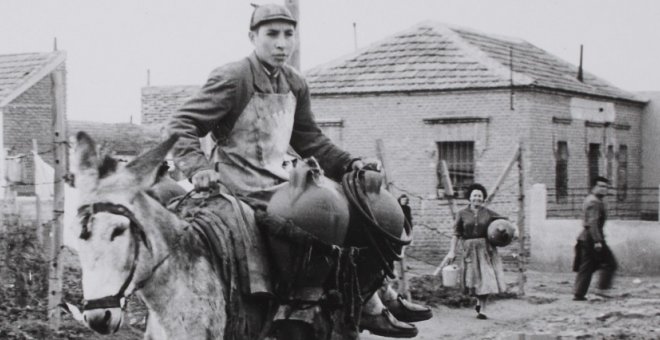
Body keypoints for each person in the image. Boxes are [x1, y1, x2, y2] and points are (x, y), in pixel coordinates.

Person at [166, 3, 420, 338]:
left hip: (283, 177)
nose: (282, 43)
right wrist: (197, 168)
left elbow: (309, 138)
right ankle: (297, 308)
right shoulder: (232, 78)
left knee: (365, 203)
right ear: (252, 37)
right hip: (241, 183)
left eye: (289, 34)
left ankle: (368, 298)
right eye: (272, 34)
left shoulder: (294, 82)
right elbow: (180, 124)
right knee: (315, 211)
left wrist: (349, 164)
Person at [445, 183, 507, 320]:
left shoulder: (488, 213)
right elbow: (456, 233)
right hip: (469, 249)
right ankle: (479, 301)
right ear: (469, 197)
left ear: (483, 198)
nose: (477, 198)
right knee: (473, 279)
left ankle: (483, 309)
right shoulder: (461, 213)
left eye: (480, 196)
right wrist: (452, 251)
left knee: (486, 278)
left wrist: (508, 229)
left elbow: (504, 222)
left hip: (486, 249)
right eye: (474, 195)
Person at [573, 176, 618, 301]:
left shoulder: (591, 199)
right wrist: (598, 241)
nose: (604, 189)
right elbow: (593, 222)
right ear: (594, 187)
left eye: (606, 187)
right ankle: (602, 290)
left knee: (587, 265)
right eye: (601, 186)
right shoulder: (595, 202)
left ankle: (579, 293)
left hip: (586, 237)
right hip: (592, 237)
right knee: (610, 263)